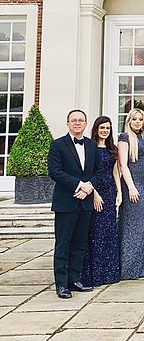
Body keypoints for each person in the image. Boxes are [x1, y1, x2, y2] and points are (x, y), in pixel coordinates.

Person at [48, 109, 100, 298]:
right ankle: (61, 284)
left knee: (79, 243)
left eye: (81, 120)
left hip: (85, 202)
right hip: (66, 202)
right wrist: (79, 185)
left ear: (86, 124)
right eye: (74, 120)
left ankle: (75, 279)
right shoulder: (57, 145)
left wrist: (89, 187)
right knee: (63, 244)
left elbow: (98, 171)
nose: (77, 123)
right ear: (68, 123)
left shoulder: (92, 145)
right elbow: (55, 172)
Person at [81, 116, 121, 287]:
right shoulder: (90, 148)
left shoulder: (113, 148)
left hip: (110, 191)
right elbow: (87, 173)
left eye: (108, 128)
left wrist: (119, 192)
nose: (105, 131)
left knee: (109, 232)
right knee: (95, 233)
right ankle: (94, 274)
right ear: (96, 129)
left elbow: (115, 172)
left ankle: (108, 273)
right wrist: (95, 194)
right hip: (95, 192)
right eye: (102, 127)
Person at [118, 108, 144, 280]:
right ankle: (129, 267)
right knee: (132, 227)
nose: (138, 122)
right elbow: (123, 165)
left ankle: (143, 265)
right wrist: (131, 187)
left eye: (140, 119)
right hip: (134, 186)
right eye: (134, 119)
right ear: (129, 121)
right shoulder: (125, 138)